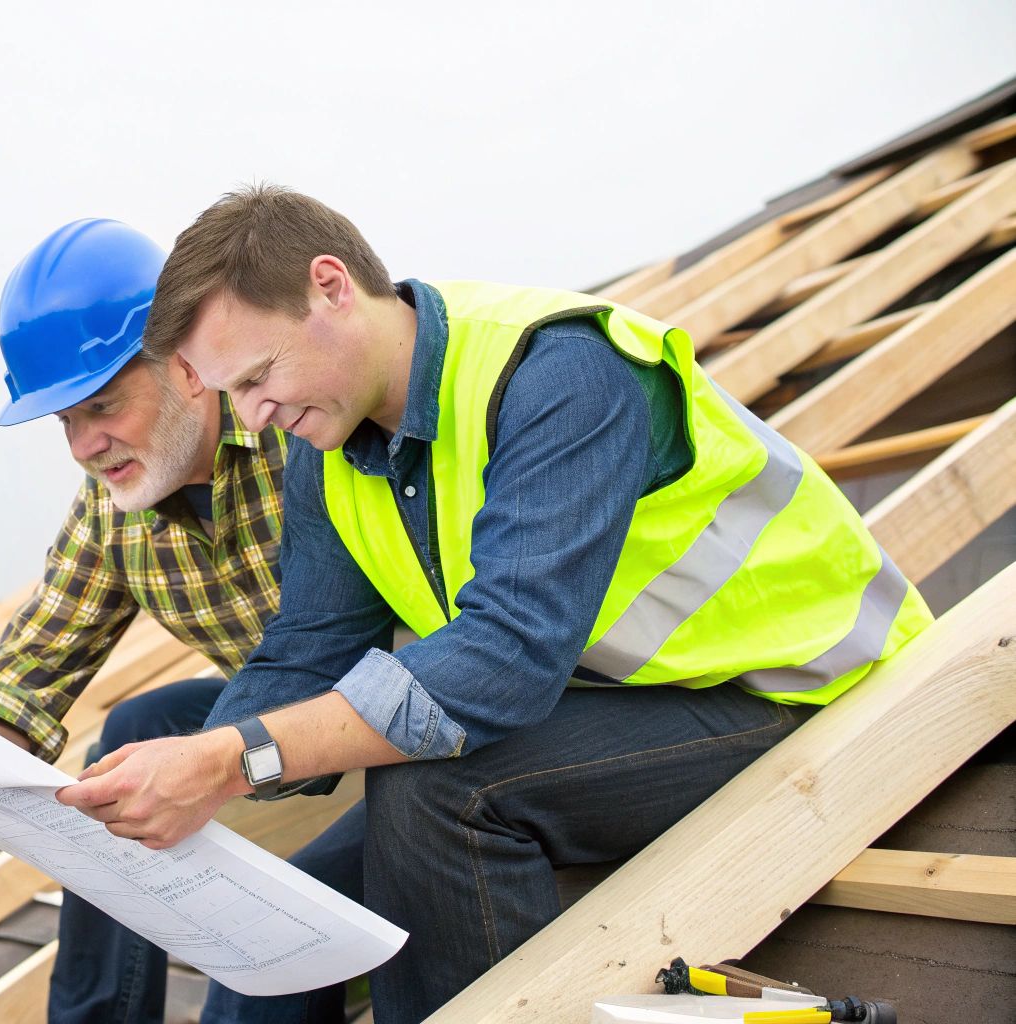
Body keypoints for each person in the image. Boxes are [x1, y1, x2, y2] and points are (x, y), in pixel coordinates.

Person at [56, 185, 933, 1021]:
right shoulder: (330, 450)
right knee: (304, 835)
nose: (252, 415)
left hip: (813, 689)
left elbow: (505, 657)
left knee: (439, 785)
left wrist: (230, 763)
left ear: (330, 286)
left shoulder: (557, 370)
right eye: (234, 393)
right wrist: (192, 765)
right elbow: (305, 650)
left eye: (258, 376)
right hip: (640, 702)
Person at [0, 217, 361, 1024]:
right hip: (264, 724)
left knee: (272, 934)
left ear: (187, 367)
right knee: (133, 736)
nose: (85, 445)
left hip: (390, 723)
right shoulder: (113, 511)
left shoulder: (298, 430)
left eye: (103, 405)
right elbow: (30, 665)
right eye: (65, 421)